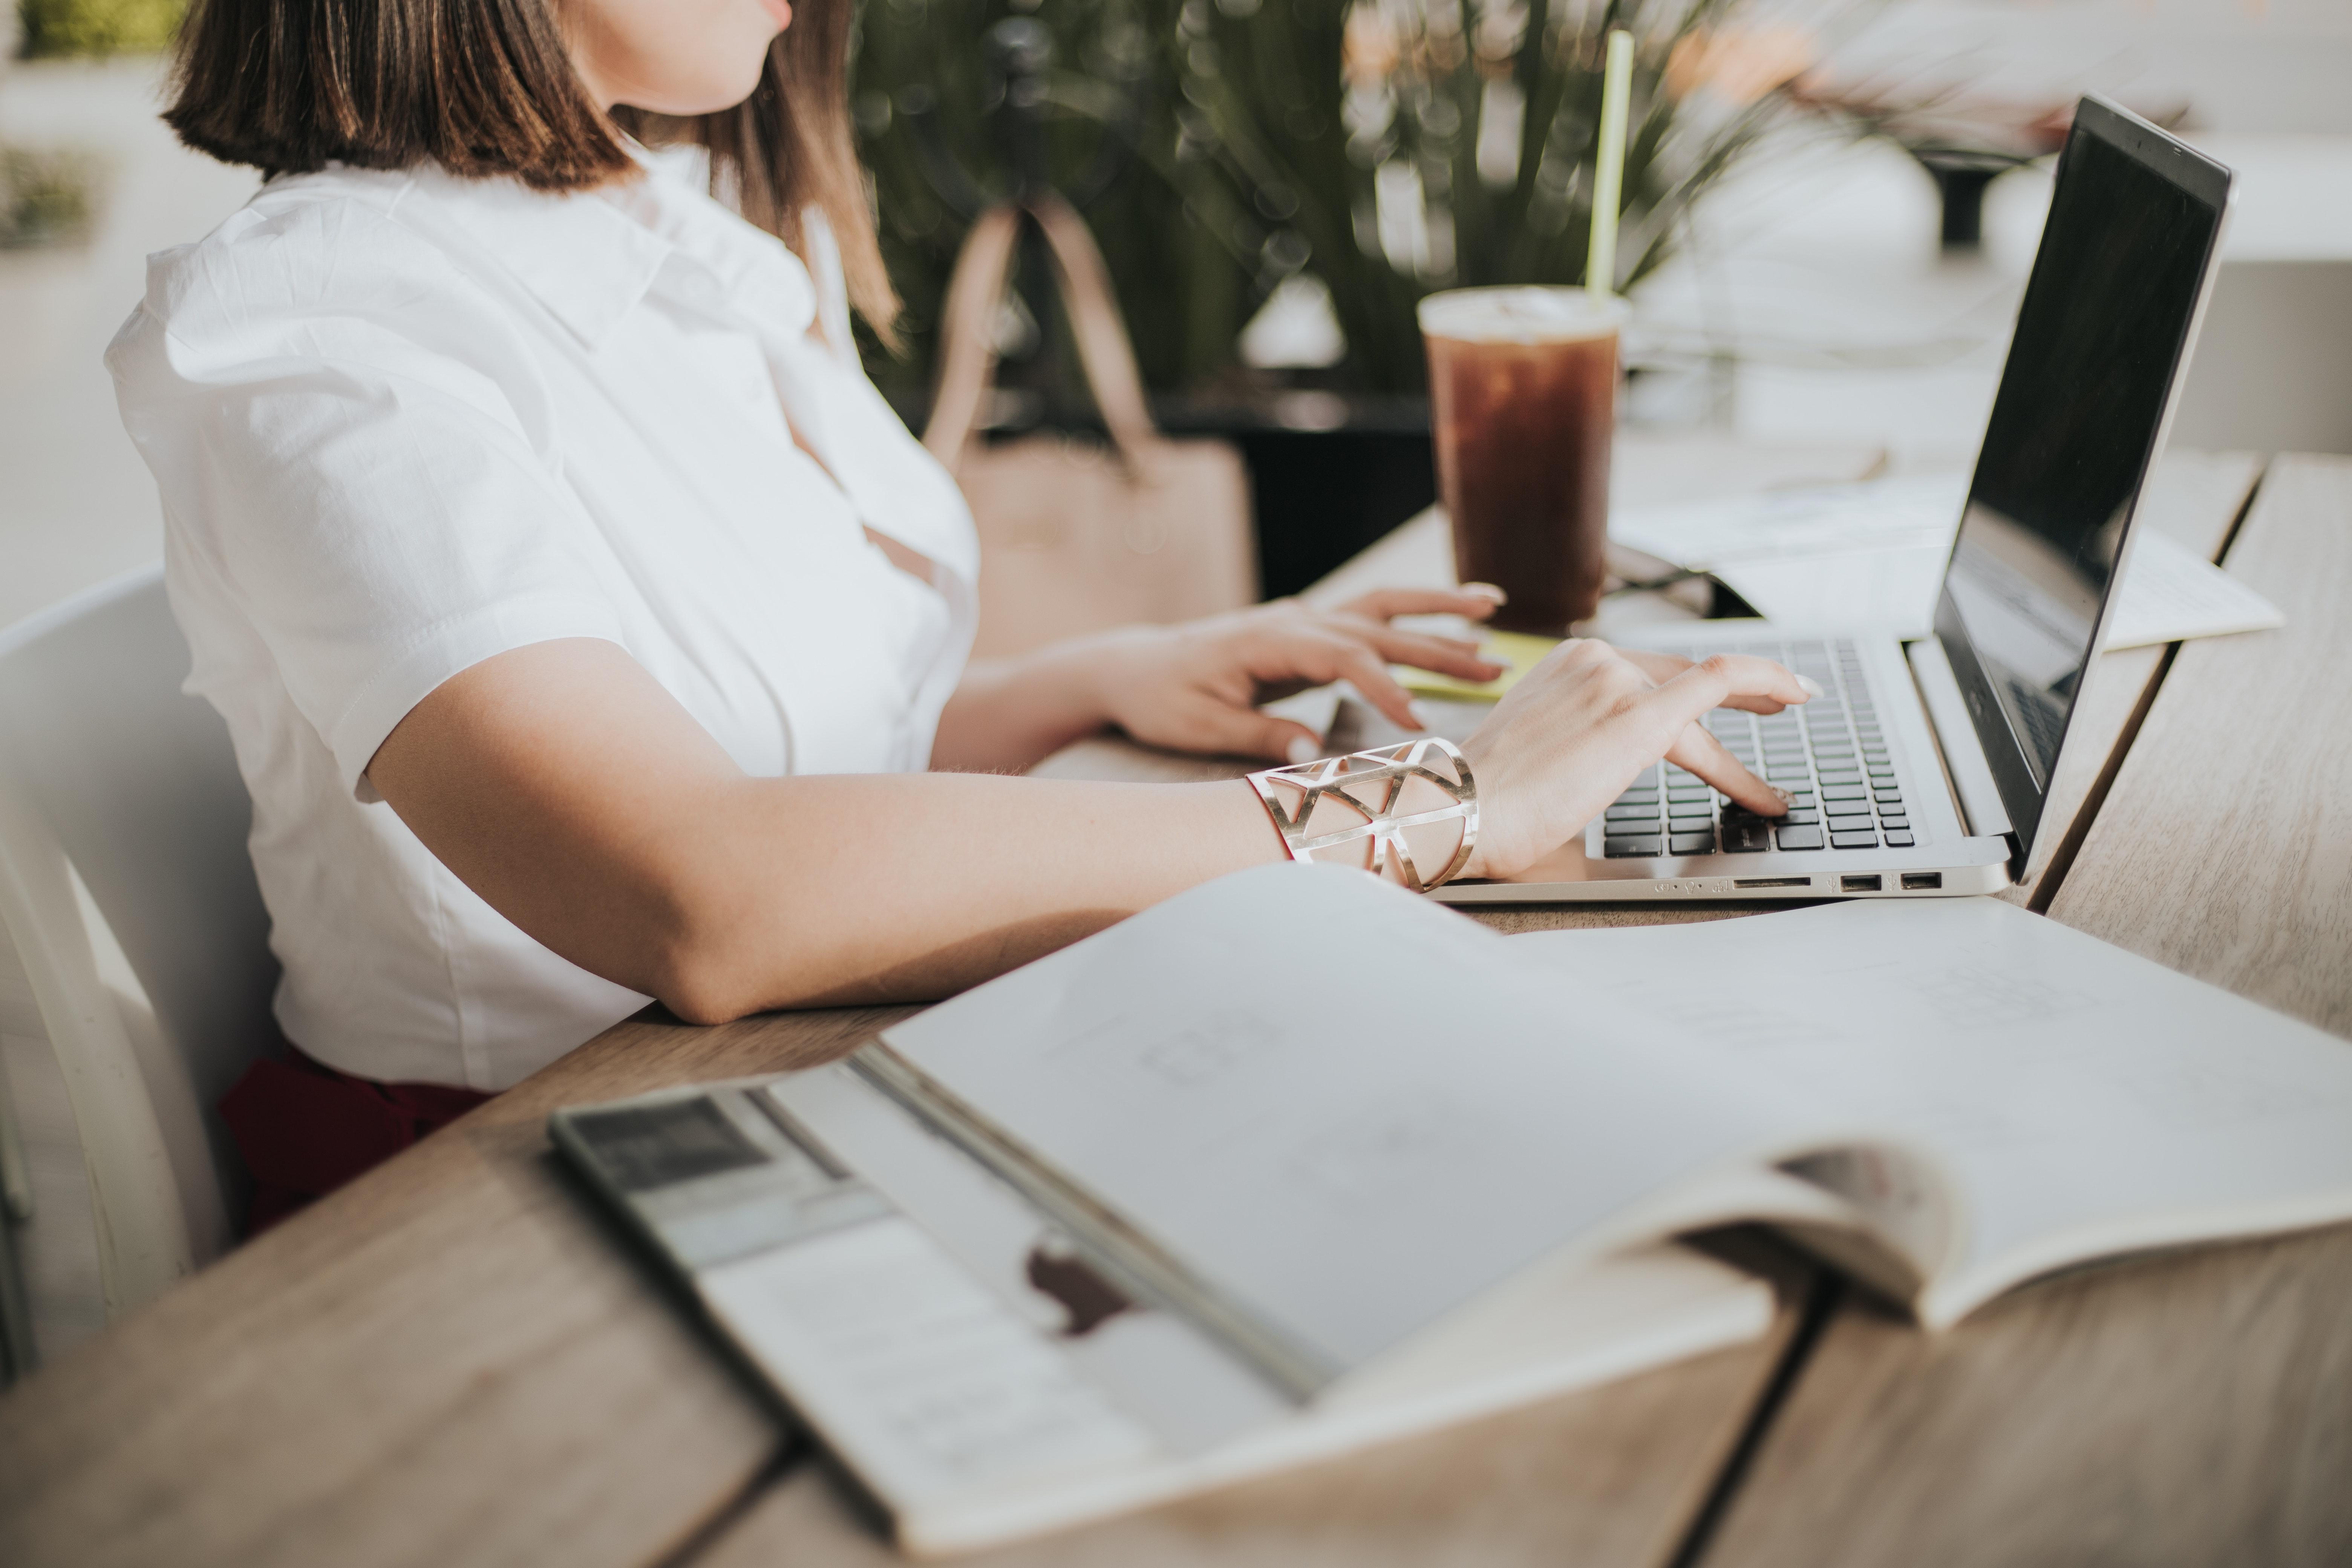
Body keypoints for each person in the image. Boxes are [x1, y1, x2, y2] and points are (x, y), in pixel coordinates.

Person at [112, 0, 1806, 1221]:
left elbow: (789, 751)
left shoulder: (680, 228)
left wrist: (1094, 678)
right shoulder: (321, 332)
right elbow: (701, 891)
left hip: (831, 1073)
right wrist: (1434, 804)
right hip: (526, 1203)